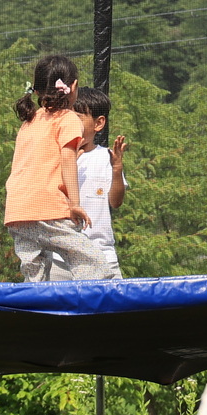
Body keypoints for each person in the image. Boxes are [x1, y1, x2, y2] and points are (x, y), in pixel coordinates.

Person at [5, 54, 105, 282]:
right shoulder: (68, 119)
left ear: (37, 90)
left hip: (17, 211)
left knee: (35, 275)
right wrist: (75, 204)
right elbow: (68, 161)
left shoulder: (29, 121)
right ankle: (94, 308)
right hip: (47, 208)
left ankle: (35, 313)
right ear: (74, 87)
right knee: (91, 263)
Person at [74, 87, 128, 279]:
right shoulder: (57, 157)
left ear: (98, 123)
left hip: (101, 253)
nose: (71, 125)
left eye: (78, 118)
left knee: (114, 307)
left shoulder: (104, 157)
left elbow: (116, 201)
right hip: (60, 258)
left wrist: (116, 170)